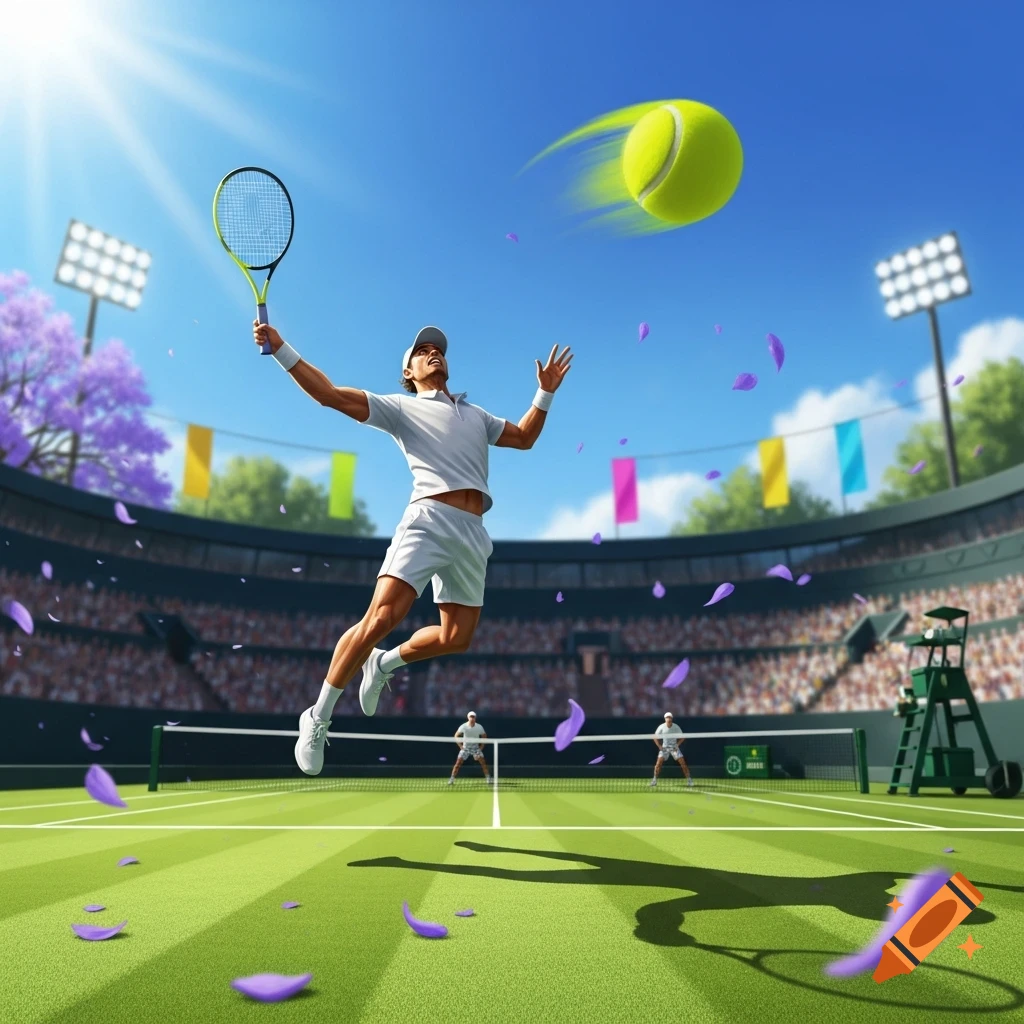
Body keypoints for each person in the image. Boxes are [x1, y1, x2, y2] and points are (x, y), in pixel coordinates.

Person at [252, 321, 573, 775]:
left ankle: (384, 663)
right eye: (422, 351)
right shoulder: (400, 408)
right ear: (409, 370)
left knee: (456, 637)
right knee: (382, 617)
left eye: (437, 349)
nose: (433, 353)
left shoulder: (476, 415)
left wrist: (544, 394)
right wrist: (281, 347)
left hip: (473, 531)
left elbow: (524, 437)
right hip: (427, 520)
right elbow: (329, 395)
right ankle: (318, 716)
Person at [650, 712, 693, 788]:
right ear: (665, 719)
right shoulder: (661, 727)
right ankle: (654, 780)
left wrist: (677, 745)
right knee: (658, 763)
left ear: (672, 719)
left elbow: (682, 737)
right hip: (664, 748)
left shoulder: (676, 727)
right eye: (667, 717)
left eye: (670, 717)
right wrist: (659, 746)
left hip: (674, 748)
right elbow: (654, 737)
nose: (668, 719)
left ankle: (689, 780)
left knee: (683, 763)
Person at [449, 710, 491, 785]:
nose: (472, 718)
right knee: (458, 764)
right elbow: (456, 736)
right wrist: (461, 746)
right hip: (465, 748)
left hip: (476, 748)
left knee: (483, 763)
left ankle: (488, 778)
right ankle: (451, 779)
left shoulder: (479, 727)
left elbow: (484, 736)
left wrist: (481, 747)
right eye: (471, 717)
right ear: (468, 718)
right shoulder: (463, 726)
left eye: (473, 717)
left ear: (475, 718)